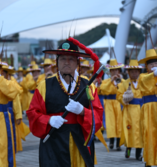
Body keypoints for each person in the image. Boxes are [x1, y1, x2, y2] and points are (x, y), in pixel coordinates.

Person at [27, 38, 103, 167]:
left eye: (71, 59)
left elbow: (98, 116)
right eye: (63, 59)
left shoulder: (88, 86)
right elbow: (32, 113)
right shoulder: (44, 85)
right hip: (53, 140)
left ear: (77, 62)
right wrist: (49, 120)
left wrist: (83, 111)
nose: (67, 62)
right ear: (57, 62)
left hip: (80, 142)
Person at [116, 59, 144, 161]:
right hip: (129, 110)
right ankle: (128, 150)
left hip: (141, 110)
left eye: (136, 71)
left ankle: (138, 155)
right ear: (128, 72)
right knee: (130, 132)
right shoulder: (124, 83)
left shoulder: (143, 82)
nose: (134, 73)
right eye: (132, 71)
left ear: (139, 72)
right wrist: (124, 99)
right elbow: (118, 95)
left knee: (140, 132)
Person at [98, 59, 124, 151]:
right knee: (111, 123)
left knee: (119, 123)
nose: (114, 72)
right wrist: (111, 81)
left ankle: (118, 143)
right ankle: (112, 142)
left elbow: (124, 90)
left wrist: (119, 82)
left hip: (119, 102)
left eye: (116, 70)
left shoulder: (122, 81)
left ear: (119, 71)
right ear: (110, 71)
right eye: (112, 70)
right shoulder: (106, 81)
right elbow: (103, 89)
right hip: (109, 103)